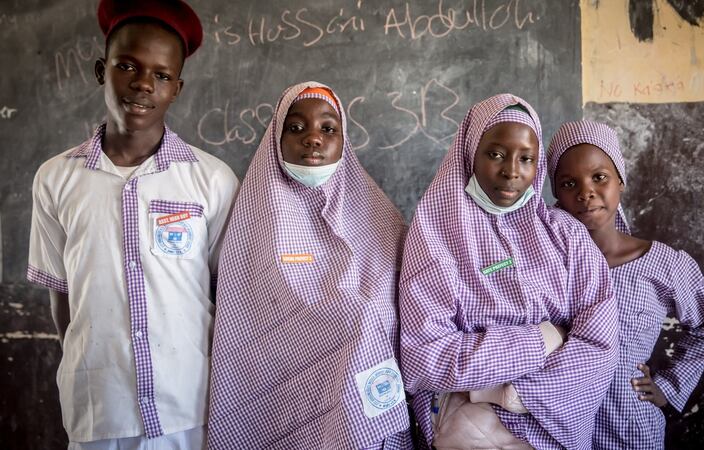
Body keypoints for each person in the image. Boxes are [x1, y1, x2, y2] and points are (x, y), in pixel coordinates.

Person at [27, 0, 239, 448]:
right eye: (128, 66)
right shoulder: (56, 178)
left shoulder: (211, 180)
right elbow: (62, 294)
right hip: (100, 406)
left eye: (161, 75)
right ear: (102, 69)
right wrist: (92, 364)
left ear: (177, 89)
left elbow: (228, 291)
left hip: (186, 405)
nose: (143, 84)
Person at [398, 95, 619, 449]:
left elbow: (599, 342)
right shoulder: (435, 235)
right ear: (471, 153)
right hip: (467, 432)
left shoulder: (566, 234)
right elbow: (424, 357)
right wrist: (543, 339)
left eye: (526, 158)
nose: (511, 171)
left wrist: (506, 391)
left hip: (555, 431)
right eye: (496, 154)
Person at [207, 82, 411, 449]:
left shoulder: (378, 215)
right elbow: (257, 316)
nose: (312, 139)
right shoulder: (253, 220)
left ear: (343, 139)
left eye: (328, 129)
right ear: (276, 139)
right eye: (296, 128)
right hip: (283, 394)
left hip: (366, 388)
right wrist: (354, 314)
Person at [546, 120, 704, 449]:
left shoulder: (662, 264)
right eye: (569, 183)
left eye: (599, 177)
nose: (585, 192)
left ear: (621, 181)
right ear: (557, 195)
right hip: (556, 430)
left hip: (628, 430)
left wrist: (669, 386)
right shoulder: (547, 264)